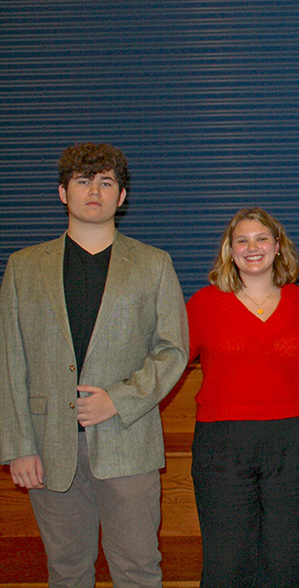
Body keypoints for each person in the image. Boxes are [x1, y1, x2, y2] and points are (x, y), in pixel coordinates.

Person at [0, 143, 188, 587]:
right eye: (83, 181)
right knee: (66, 572)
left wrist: (118, 400)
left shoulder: (153, 264)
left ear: (121, 196)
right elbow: (10, 359)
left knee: (138, 569)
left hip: (128, 441)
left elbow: (172, 351)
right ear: (63, 192)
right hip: (47, 447)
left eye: (106, 183)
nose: (94, 192)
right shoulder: (24, 267)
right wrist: (18, 446)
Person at [186, 207, 299, 587]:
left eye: (262, 238)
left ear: (278, 247)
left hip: (291, 443)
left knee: (285, 560)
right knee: (226, 564)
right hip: (222, 445)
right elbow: (167, 363)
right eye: (241, 240)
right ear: (230, 251)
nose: (252, 247)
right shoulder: (204, 304)